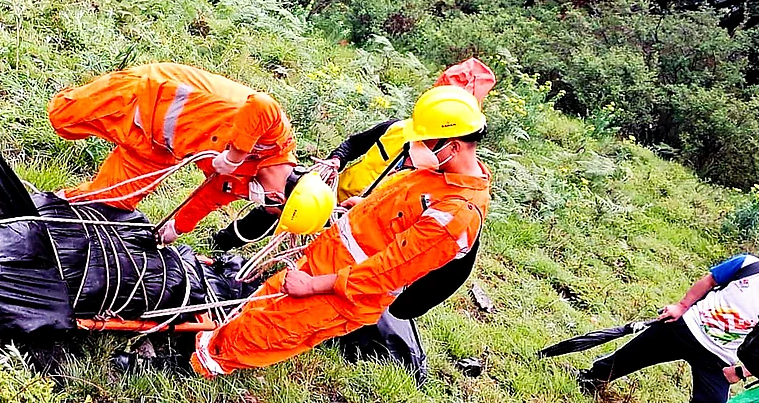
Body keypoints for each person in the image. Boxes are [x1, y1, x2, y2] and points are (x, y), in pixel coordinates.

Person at [190, 85, 492, 376]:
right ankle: (210, 340)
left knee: (268, 331)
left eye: (423, 142)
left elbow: (385, 273)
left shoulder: (455, 215)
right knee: (259, 306)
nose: (414, 149)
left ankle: (199, 367)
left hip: (340, 291)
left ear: (453, 146)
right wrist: (362, 205)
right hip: (324, 259)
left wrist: (312, 286)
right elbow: (399, 205)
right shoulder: (436, 172)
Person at [212, 57, 496, 250]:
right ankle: (222, 243)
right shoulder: (396, 129)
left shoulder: (448, 166)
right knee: (277, 203)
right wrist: (336, 159)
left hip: (365, 222)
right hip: (332, 195)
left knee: (316, 254)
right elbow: (355, 144)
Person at [47, 62, 297, 243]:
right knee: (61, 118)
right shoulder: (276, 138)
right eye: (272, 205)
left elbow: (210, 196)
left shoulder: (246, 182)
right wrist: (235, 156)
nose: (263, 202)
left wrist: (177, 227)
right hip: (145, 97)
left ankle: (51, 208)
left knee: (111, 202)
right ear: (283, 196)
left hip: (157, 149)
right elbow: (262, 105)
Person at [578, 243, 759, 403]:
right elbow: (710, 280)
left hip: (719, 358)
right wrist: (681, 306)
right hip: (686, 328)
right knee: (624, 359)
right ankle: (591, 381)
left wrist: (742, 372)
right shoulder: (748, 265)